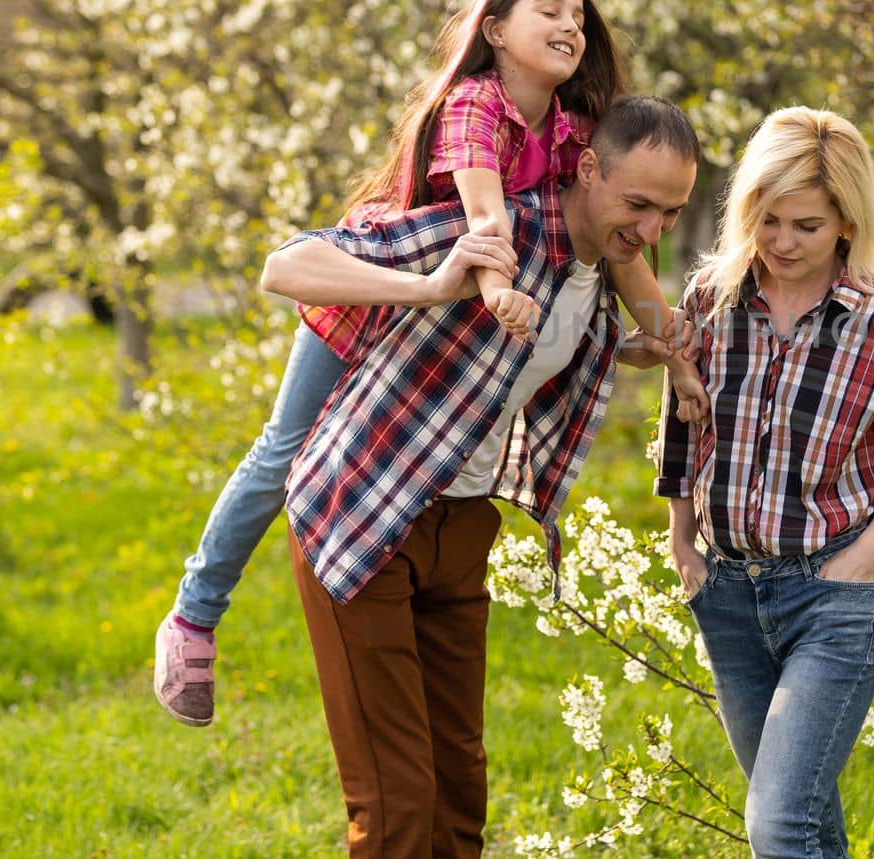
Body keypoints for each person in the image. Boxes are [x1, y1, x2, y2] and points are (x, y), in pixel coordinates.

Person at [153, 0, 707, 728]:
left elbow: (620, 250)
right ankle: (194, 613)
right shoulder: (474, 102)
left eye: (580, 14)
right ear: (494, 30)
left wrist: (673, 351)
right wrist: (486, 289)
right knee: (282, 451)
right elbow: (486, 223)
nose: (571, 24)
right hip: (377, 289)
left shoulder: (580, 133)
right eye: (549, 8)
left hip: (441, 325)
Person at [260, 94, 699, 859]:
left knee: (459, 787)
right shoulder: (497, 232)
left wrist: (666, 359)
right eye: (639, 204)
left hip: (461, 527)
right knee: (398, 799)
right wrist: (433, 287)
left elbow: (613, 339)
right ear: (588, 167)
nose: (653, 230)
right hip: (361, 510)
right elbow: (288, 265)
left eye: (671, 211)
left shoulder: (596, 274)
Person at [656, 107, 874, 859]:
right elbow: (681, 424)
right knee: (808, 822)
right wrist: (682, 542)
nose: (782, 242)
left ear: (847, 225)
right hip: (725, 592)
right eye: (768, 218)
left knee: (779, 824)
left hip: (835, 596)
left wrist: (865, 559)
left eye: (807, 225)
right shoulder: (711, 300)